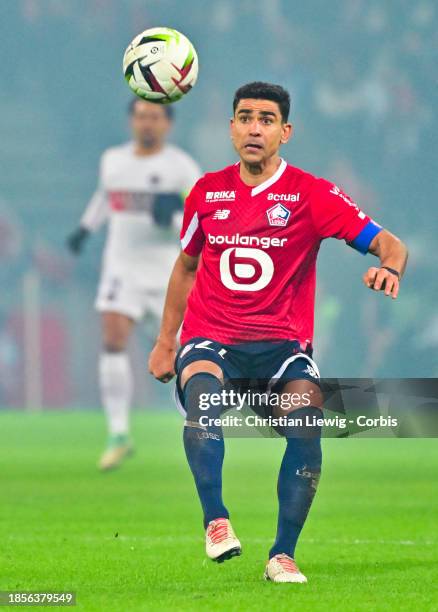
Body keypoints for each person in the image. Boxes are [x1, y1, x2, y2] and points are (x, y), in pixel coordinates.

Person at [148, 82, 408, 583]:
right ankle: (216, 521)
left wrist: (389, 270)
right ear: (231, 128)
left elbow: (390, 244)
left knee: (307, 422)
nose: (254, 127)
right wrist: (166, 341)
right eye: (244, 117)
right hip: (211, 338)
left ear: (285, 132)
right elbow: (185, 267)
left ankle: (282, 555)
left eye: (266, 119)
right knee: (202, 395)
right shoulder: (206, 192)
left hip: (282, 348)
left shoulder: (312, 194)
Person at [67, 98, 202, 470]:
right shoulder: (113, 160)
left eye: (155, 117)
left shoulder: (182, 168)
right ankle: (118, 433)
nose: (147, 123)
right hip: (121, 267)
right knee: (112, 338)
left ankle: (196, 421)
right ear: (131, 121)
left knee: (181, 353)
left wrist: (175, 214)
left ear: (167, 124)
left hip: (165, 273)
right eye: (141, 116)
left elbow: (199, 224)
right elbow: (104, 197)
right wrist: (85, 228)